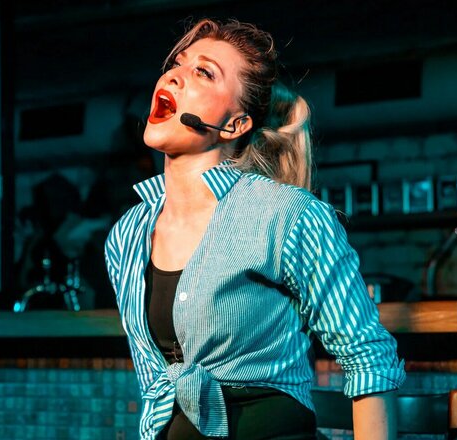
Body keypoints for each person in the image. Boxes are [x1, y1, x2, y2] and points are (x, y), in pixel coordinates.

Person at [104, 18, 406, 439]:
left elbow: (367, 357)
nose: (174, 75)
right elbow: (154, 386)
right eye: (176, 64)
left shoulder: (287, 215)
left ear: (234, 125)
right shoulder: (127, 236)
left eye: (203, 72)